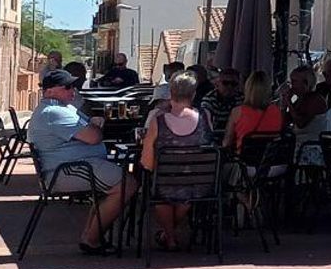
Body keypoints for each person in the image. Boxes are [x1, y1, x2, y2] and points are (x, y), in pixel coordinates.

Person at [26, 68, 131, 254]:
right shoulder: (53, 112)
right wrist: (94, 126)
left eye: (73, 86)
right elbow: (93, 137)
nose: (72, 90)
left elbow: (89, 127)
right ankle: (91, 240)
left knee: (118, 184)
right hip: (67, 170)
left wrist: (92, 125)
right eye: (67, 87)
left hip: (78, 164)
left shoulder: (65, 108)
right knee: (127, 185)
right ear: (49, 91)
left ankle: (91, 237)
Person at [140, 72, 211, 250]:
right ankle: (168, 235)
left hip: (165, 182)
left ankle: (169, 237)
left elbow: (147, 162)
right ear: (194, 94)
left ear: (170, 92)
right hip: (198, 182)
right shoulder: (206, 117)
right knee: (183, 192)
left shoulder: (159, 121)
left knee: (160, 192)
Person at [223, 70, 285, 154]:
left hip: (246, 161)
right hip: (271, 161)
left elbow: (227, 143)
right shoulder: (277, 111)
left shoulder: (237, 112)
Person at [201, 68, 243, 140]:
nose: (229, 87)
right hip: (213, 141)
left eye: (234, 84)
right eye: (225, 83)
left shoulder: (241, 99)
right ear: (217, 83)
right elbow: (206, 127)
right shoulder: (209, 100)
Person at [285, 65, 328, 130]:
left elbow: (300, 123)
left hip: (312, 139)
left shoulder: (316, 100)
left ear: (306, 83)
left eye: (294, 81)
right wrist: (284, 105)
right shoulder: (301, 99)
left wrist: (288, 102)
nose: (292, 85)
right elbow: (286, 120)